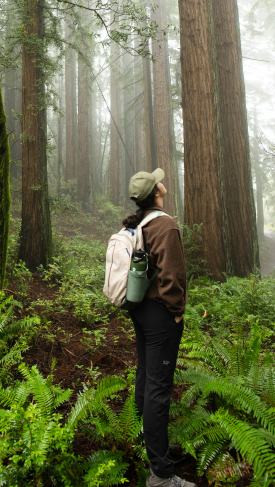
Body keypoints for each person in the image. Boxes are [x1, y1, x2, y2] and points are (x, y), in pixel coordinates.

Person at [123, 168, 194, 487]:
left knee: (146, 376)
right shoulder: (164, 224)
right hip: (161, 314)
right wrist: (176, 312)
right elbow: (173, 276)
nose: (162, 181)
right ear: (156, 193)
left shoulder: (139, 222)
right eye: (158, 181)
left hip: (141, 310)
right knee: (158, 388)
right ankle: (161, 475)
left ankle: (152, 446)